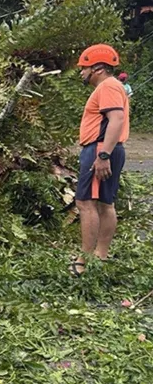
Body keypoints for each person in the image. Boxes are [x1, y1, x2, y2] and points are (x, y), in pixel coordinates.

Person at [70, 44, 130, 277]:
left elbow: (115, 119)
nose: (81, 72)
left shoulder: (107, 87)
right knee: (105, 204)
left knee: (86, 203)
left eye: (84, 68)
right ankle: (100, 257)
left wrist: (103, 155)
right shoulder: (113, 87)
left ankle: (84, 260)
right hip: (107, 147)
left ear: (97, 67)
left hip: (100, 148)